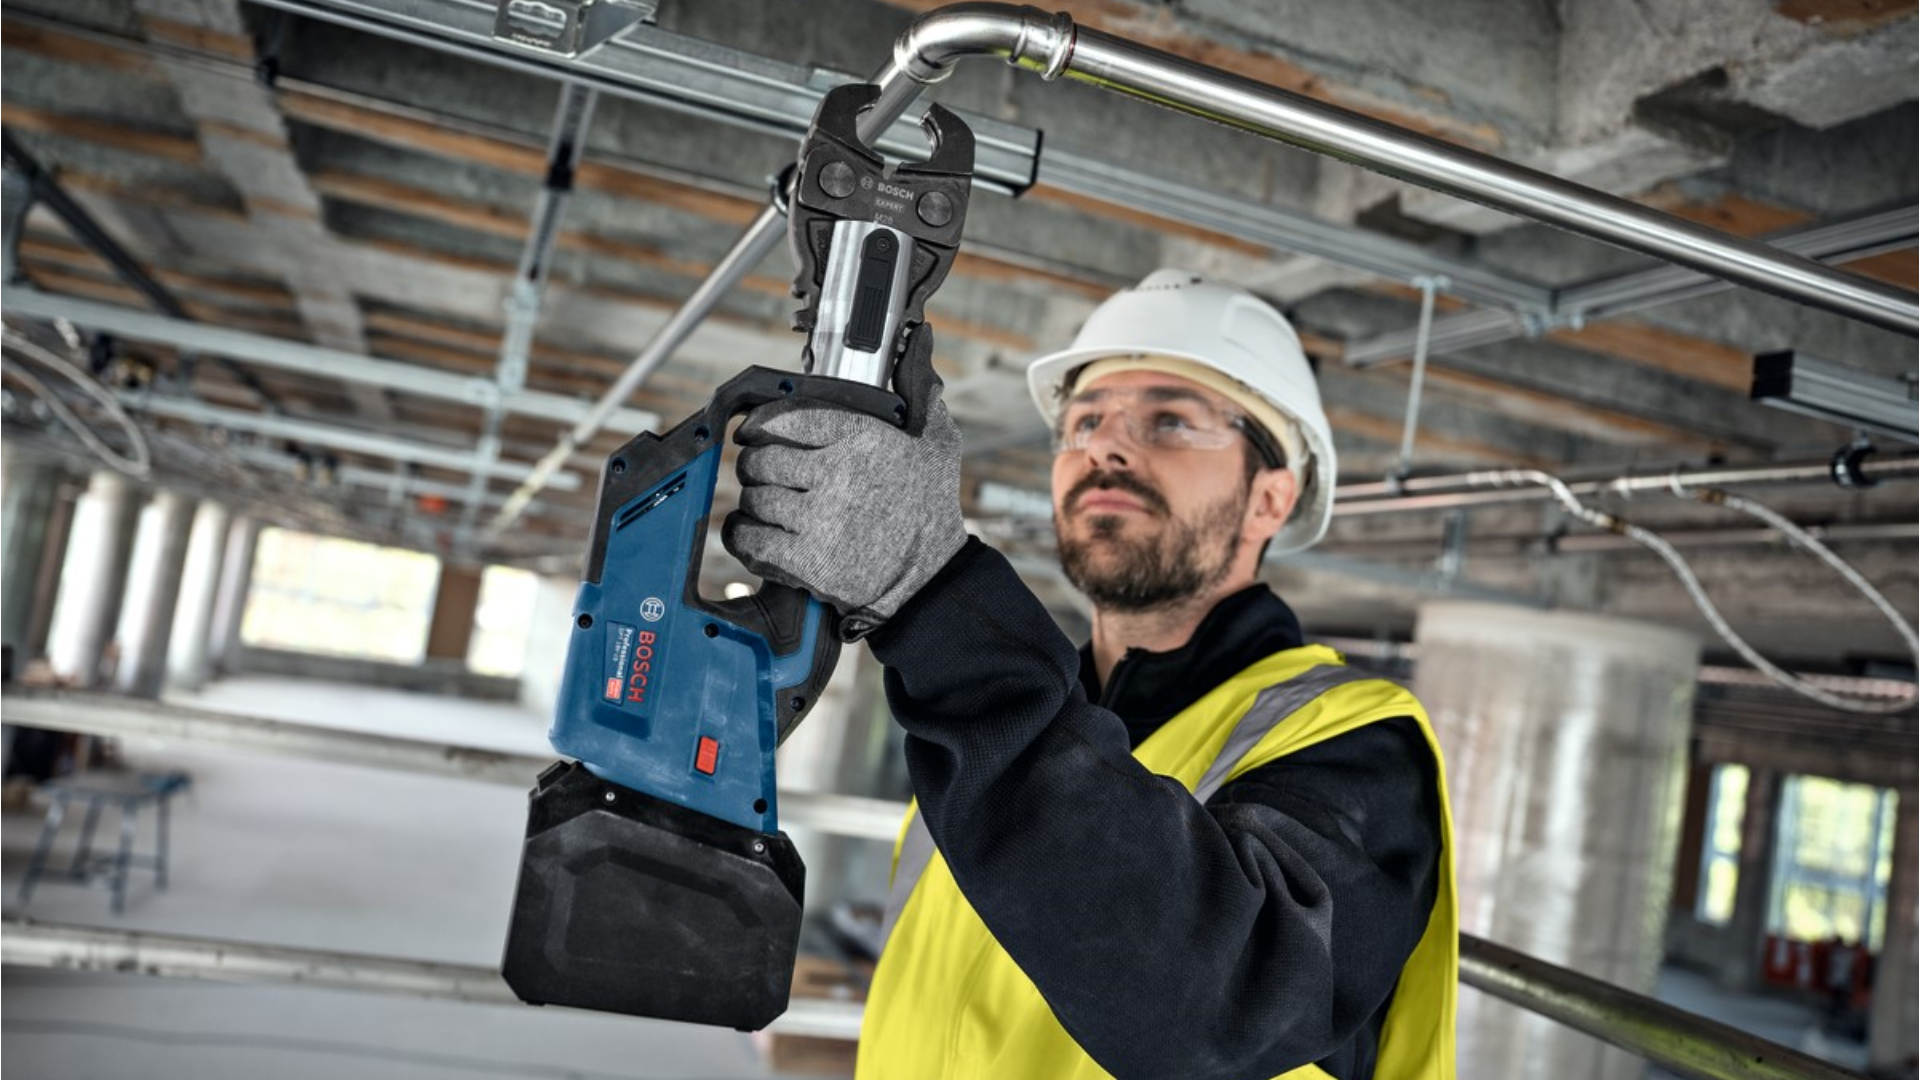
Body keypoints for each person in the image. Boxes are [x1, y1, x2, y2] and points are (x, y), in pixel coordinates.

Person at [725, 269, 1457, 1080]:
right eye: (1084, 420)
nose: (1103, 446)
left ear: (1270, 500)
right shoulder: (1002, 718)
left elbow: (1214, 1005)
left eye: (1170, 421)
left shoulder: (1354, 743)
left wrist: (932, 598)